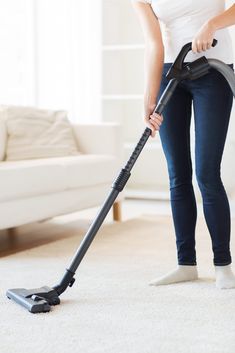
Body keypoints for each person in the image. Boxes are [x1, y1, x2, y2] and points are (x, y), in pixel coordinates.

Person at [131, 0, 235, 289]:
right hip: (170, 76)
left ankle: (223, 264)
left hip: (213, 71)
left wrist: (213, 23)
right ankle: (185, 263)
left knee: (207, 174)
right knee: (177, 174)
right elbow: (153, 44)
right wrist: (149, 98)